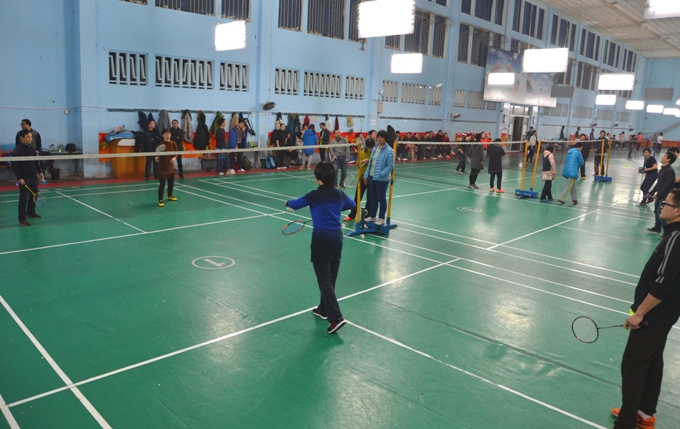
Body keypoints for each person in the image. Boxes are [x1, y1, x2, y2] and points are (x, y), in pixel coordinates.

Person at [610, 188, 680, 429]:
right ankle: (644, 413)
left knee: (633, 366)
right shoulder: (672, 235)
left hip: (655, 316)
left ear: (678, 211)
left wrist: (640, 313)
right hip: (665, 315)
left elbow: (664, 283)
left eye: (666, 203)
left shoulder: (676, 239)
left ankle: (626, 423)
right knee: (652, 362)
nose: (661, 205)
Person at [285, 162, 355, 334]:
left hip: (321, 240)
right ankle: (323, 309)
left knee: (324, 281)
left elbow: (294, 204)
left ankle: (336, 318)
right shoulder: (339, 194)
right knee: (330, 279)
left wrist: (286, 202)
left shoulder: (314, 195)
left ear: (318, 179)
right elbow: (352, 205)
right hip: (337, 240)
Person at [12, 129, 45, 226]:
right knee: (23, 198)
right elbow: (14, 166)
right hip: (24, 178)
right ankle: (22, 219)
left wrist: (40, 171)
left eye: (31, 137)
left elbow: (35, 161)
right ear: (21, 138)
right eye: (28, 137)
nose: (30, 139)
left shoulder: (32, 148)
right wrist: (19, 178)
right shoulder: (17, 150)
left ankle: (31, 212)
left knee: (35, 194)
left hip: (33, 176)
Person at [364, 130, 395, 226]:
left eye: (382, 138)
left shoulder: (389, 151)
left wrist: (382, 174)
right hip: (371, 176)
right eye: (378, 137)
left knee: (381, 198)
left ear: (386, 139)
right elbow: (371, 163)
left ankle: (381, 218)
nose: (379, 139)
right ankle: (372, 216)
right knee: (373, 197)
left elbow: (391, 165)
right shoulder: (375, 148)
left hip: (382, 179)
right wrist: (366, 175)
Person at [345, 137, 375, 221]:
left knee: (370, 199)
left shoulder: (376, 153)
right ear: (366, 146)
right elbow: (357, 163)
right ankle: (352, 215)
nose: (370, 149)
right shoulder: (362, 152)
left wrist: (371, 162)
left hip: (372, 179)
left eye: (371, 147)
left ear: (374, 146)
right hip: (362, 178)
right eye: (368, 147)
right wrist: (363, 161)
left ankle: (367, 216)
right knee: (357, 197)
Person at [647, 152, 677, 234]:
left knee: (661, 213)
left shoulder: (669, 171)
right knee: (656, 212)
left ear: (668, 159)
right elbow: (659, 183)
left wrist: (658, 195)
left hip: (665, 196)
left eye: (664, 156)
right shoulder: (662, 169)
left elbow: (667, 185)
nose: (662, 157)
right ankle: (657, 228)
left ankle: (666, 233)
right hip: (660, 195)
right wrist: (652, 192)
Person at [557, 138, 585, 205]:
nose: (581, 149)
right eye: (581, 148)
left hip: (567, 170)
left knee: (573, 185)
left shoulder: (570, 152)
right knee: (569, 185)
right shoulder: (578, 152)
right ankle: (561, 198)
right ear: (579, 147)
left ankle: (574, 199)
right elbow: (581, 162)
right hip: (573, 171)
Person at [155, 129, 178, 207]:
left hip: (170, 167)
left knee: (171, 183)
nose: (167, 135)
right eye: (166, 134)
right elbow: (156, 154)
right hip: (162, 168)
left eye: (169, 133)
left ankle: (170, 196)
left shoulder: (173, 143)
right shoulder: (161, 144)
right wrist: (156, 158)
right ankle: (160, 200)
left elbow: (177, 153)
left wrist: (174, 158)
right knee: (162, 184)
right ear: (163, 135)